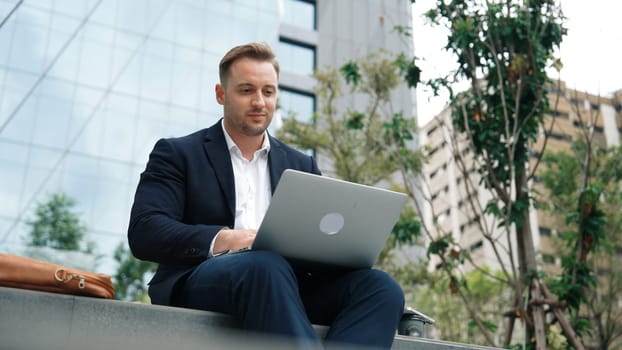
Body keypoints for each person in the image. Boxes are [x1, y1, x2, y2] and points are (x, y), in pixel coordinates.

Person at [128, 42, 405, 349]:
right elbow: (146, 230)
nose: (259, 101)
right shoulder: (178, 153)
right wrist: (232, 239)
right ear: (221, 94)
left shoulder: (301, 164)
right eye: (246, 90)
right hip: (203, 282)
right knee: (264, 265)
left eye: (268, 92)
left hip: (288, 291)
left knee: (381, 288)